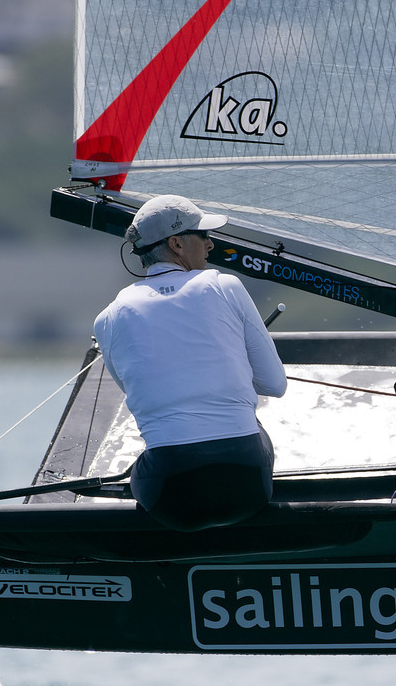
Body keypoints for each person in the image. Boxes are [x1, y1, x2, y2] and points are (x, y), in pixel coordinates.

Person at [94, 194, 287, 531]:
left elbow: (139, 390)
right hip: (247, 489)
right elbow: (275, 385)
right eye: (203, 235)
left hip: (171, 500)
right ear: (177, 244)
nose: (211, 245)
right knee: (255, 429)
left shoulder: (107, 318)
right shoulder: (226, 286)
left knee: (150, 454)